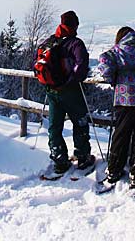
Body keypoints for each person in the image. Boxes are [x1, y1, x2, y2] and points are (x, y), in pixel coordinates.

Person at [93, 26, 135, 192]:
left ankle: (114, 170)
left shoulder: (118, 50)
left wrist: (112, 80)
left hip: (126, 98)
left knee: (121, 134)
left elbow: (104, 62)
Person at [41, 11, 94, 177]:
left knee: (55, 126)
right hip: (70, 90)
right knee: (80, 122)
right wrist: (72, 80)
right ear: (75, 25)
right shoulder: (75, 43)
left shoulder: (50, 42)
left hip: (51, 91)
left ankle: (59, 160)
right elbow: (82, 66)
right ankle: (83, 156)